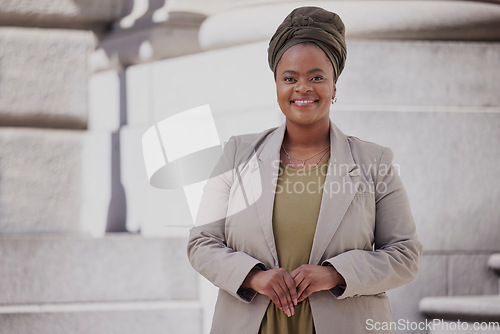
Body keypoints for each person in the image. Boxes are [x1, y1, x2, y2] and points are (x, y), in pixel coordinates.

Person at [187, 6, 423, 334]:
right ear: (277, 87)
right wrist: (253, 276)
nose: (303, 88)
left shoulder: (375, 162)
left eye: (316, 77)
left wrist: (337, 273)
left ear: (334, 86)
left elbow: (405, 254)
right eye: (290, 78)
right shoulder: (237, 154)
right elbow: (201, 243)